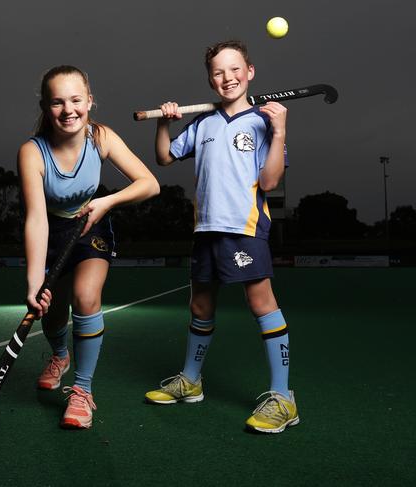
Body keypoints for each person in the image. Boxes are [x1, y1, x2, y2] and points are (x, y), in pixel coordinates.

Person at [144, 40, 298, 433]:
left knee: (261, 302)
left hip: (244, 229)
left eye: (234, 70)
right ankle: (190, 381)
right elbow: (164, 157)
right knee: (200, 305)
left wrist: (279, 131)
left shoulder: (262, 121)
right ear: (210, 79)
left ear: (250, 73)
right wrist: (165, 121)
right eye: (218, 72)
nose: (226, 78)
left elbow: (270, 179)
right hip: (205, 229)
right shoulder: (203, 124)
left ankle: (283, 398)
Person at [18, 65, 159, 429]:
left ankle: (82, 391)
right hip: (53, 233)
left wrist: (107, 202)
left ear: (89, 100)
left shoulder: (102, 137)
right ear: (46, 107)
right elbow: (36, 219)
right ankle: (60, 355)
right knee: (53, 313)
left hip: (93, 223)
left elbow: (149, 184)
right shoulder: (32, 152)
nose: (69, 110)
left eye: (76, 100)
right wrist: (35, 283)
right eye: (58, 102)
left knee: (86, 297)